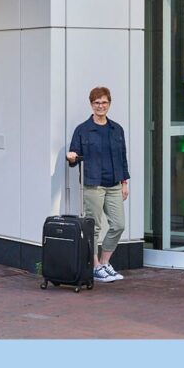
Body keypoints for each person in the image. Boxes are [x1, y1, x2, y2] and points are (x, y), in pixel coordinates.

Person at [66, 86, 129, 284]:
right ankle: (94, 267)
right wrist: (71, 156)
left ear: (109, 103)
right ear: (91, 105)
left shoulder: (116, 129)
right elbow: (73, 156)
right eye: (96, 103)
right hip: (93, 184)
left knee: (118, 225)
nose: (100, 106)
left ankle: (104, 263)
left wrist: (124, 182)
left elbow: (122, 158)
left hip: (114, 184)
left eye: (104, 102)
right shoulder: (83, 130)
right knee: (94, 227)